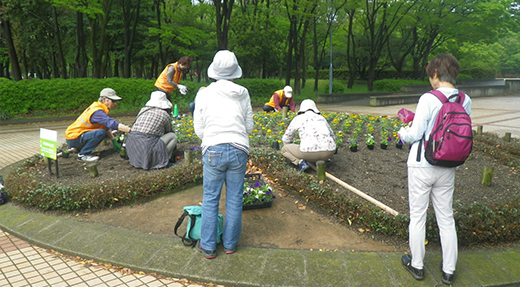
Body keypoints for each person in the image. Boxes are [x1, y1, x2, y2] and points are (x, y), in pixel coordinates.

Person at [397, 54, 472, 285]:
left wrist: (402, 132)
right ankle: (449, 270)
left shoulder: (428, 99)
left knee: (418, 217)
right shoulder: (465, 99)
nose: (431, 80)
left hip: (422, 165)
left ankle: (417, 265)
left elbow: (415, 134)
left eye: (431, 75)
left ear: (436, 74)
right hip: (448, 165)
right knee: (446, 218)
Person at [193, 50, 254, 259]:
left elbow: (199, 130)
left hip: (213, 148)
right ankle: (230, 244)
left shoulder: (203, 93)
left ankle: (208, 246)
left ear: (214, 71)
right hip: (239, 148)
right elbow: (249, 126)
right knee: (235, 199)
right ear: (235, 71)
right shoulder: (243, 92)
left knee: (210, 198)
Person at [65, 88, 132, 162]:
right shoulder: (97, 112)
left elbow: (105, 126)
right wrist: (130, 130)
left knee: (102, 131)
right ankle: (83, 155)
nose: (115, 103)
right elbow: (112, 123)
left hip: (75, 136)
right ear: (104, 99)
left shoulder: (99, 107)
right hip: (74, 138)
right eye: (113, 101)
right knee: (101, 133)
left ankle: (80, 148)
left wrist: (113, 140)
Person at [125, 91, 177, 170]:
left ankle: (140, 160)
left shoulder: (143, 110)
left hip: (132, 142)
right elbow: (169, 131)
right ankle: (165, 160)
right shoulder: (164, 114)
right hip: (147, 143)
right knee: (173, 137)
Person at [281, 99, 336, 172]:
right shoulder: (321, 118)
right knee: (323, 149)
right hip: (329, 152)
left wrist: (291, 148)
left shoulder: (298, 119)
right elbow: (332, 136)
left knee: (284, 149)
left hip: (308, 153)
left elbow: (286, 138)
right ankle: (325, 160)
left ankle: (300, 162)